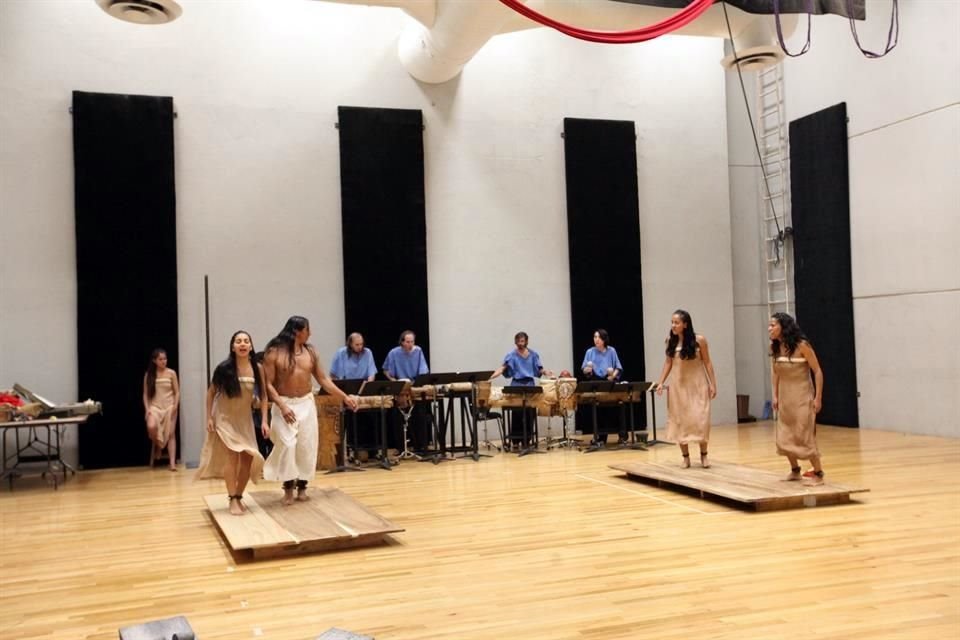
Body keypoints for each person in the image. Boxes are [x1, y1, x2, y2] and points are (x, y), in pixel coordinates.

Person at [262, 316, 358, 505]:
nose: (310, 333)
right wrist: (282, 406)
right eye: (307, 329)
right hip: (284, 403)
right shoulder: (274, 352)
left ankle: (302, 487)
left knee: (306, 445)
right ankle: (288, 487)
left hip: (305, 402)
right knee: (288, 445)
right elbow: (267, 384)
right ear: (297, 331)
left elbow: (323, 380)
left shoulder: (310, 351)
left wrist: (344, 397)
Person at [195, 331, 269, 516]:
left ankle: (239, 495)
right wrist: (209, 418)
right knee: (233, 457)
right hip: (225, 418)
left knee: (248, 458)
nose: (242, 344)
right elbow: (211, 393)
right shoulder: (224, 368)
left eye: (246, 341)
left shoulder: (258, 368)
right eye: (238, 341)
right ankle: (232, 499)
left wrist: (265, 421)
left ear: (251, 346)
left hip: (244, 421)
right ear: (233, 346)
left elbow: (264, 396)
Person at [653, 310, 717, 468]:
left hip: (698, 385)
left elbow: (707, 362)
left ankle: (704, 456)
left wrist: (712, 384)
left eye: (676, 322)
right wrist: (660, 382)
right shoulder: (670, 341)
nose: (673, 325)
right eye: (672, 322)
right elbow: (668, 363)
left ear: (685, 324)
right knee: (680, 421)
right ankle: (685, 457)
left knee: (700, 419)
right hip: (678, 387)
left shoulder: (699, 340)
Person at [769, 312, 825, 485]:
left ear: (783, 327)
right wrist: (776, 395)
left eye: (773, 325)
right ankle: (795, 470)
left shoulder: (802, 346)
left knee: (803, 435)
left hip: (802, 397)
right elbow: (776, 373)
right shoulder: (776, 348)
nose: (769, 329)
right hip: (785, 399)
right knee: (785, 436)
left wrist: (818, 398)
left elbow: (817, 371)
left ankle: (818, 473)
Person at [490, 331, 553, 448]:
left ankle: (527, 439)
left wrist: (546, 372)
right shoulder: (511, 355)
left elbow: (540, 369)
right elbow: (503, 368)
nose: (520, 343)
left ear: (526, 341)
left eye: (522, 341)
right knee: (517, 413)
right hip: (516, 385)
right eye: (518, 341)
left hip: (529, 385)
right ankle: (515, 440)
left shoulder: (533, 355)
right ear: (515, 342)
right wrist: (492, 375)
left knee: (530, 412)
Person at [329, 332, 377, 459]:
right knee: (345, 418)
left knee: (370, 416)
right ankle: (344, 451)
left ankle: (371, 449)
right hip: (346, 390)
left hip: (362, 389)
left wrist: (366, 389)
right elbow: (333, 375)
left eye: (361, 344)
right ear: (350, 344)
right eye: (357, 344)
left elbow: (371, 374)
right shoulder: (341, 353)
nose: (360, 347)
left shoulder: (368, 353)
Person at [383, 330, 430, 450]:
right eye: (408, 342)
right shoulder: (394, 353)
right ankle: (400, 447)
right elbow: (386, 370)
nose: (410, 345)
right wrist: (394, 381)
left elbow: (423, 370)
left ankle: (421, 445)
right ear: (402, 342)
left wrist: (416, 383)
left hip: (414, 385)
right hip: (400, 386)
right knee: (397, 416)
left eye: (412, 342)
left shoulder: (418, 351)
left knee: (419, 413)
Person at [580, 329, 624, 445]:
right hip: (596, 382)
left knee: (615, 408)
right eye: (595, 337)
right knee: (599, 411)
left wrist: (612, 376)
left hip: (609, 382)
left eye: (598, 337)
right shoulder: (590, 352)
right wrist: (587, 370)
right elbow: (584, 369)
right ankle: (600, 437)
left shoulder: (611, 351)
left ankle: (622, 435)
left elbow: (618, 368)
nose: (596, 339)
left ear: (604, 339)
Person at [142, 348, 179, 471]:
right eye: (160, 359)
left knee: (170, 434)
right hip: (155, 407)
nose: (164, 361)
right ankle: (158, 444)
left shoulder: (171, 373)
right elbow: (145, 394)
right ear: (154, 361)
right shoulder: (149, 375)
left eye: (165, 358)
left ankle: (172, 463)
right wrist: (147, 409)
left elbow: (177, 392)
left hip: (169, 406)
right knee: (151, 426)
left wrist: (175, 406)